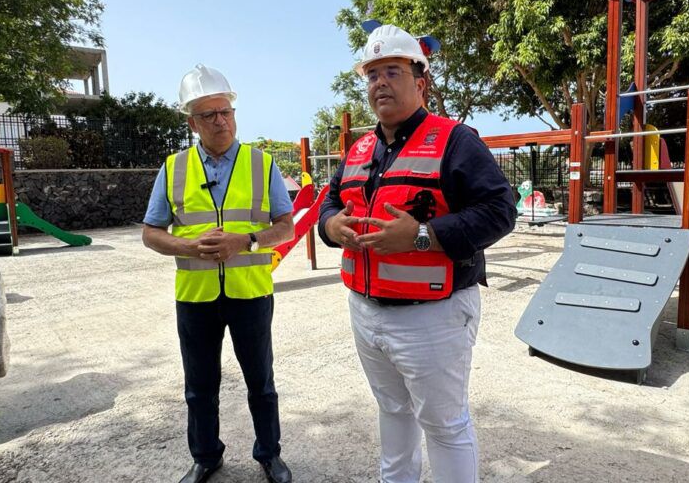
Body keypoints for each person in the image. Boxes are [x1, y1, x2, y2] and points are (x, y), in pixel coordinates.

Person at [318, 25, 516, 482]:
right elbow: (330, 201)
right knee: (391, 409)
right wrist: (332, 225)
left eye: (392, 71)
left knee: (444, 426)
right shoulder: (360, 148)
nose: (380, 83)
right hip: (366, 309)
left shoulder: (455, 141)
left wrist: (422, 236)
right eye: (372, 75)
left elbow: (500, 211)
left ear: (420, 82)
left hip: (434, 314)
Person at [143, 64, 295, 483]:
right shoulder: (173, 167)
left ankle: (270, 454)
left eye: (225, 111)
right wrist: (189, 246)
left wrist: (246, 242)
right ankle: (206, 456)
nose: (220, 121)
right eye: (209, 115)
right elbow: (151, 233)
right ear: (192, 122)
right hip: (195, 295)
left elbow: (288, 226)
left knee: (261, 383)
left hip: (251, 291)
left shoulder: (262, 164)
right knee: (199, 387)